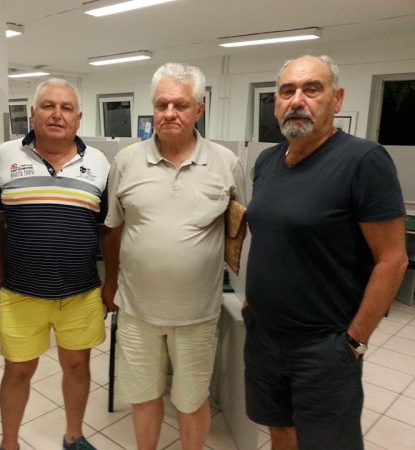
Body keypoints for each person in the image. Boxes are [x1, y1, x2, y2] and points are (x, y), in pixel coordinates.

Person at [243, 55, 408, 450]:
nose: (297, 100)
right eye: (287, 91)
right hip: (264, 335)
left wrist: (354, 341)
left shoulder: (363, 161)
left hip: (324, 345)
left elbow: (393, 259)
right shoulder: (267, 161)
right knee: (279, 430)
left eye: (311, 89)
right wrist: (252, 303)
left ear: (337, 99)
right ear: (276, 102)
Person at [102, 62, 246, 450]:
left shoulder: (227, 164)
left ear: (199, 109)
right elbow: (113, 229)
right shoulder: (126, 161)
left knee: (191, 401)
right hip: (137, 311)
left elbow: (239, 232)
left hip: (197, 313)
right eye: (161, 104)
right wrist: (110, 284)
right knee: (144, 397)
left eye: (180, 105)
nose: (169, 113)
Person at [0, 78, 109, 450]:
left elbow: (108, 229)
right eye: (48, 106)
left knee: (77, 367)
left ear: (78, 118)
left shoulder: (100, 163)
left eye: (66, 108)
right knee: (18, 371)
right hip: (21, 290)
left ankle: (74, 435)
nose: (57, 114)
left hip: (80, 291)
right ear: (33, 113)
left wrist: (112, 283)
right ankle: (9, 443)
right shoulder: (4, 155)